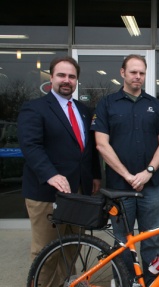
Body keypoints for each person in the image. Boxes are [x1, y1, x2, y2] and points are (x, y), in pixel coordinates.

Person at [91, 54, 159, 285]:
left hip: (151, 186)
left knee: (151, 238)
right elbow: (101, 144)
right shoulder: (107, 104)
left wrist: (148, 171)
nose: (138, 77)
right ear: (122, 73)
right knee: (122, 240)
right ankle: (126, 281)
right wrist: (128, 175)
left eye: (141, 73)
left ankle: (149, 281)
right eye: (133, 72)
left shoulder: (155, 105)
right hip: (119, 188)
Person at [17, 56, 102, 285]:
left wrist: (95, 175)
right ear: (51, 77)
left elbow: (89, 148)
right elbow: (31, 146)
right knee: (47, 251)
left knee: (72, 248)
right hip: (46, 193)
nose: (67, 81)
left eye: (72, 77)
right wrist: (51, 174)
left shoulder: (84, 110)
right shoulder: (34, 108)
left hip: (78, 193)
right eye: (62, 75)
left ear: (77, 81)